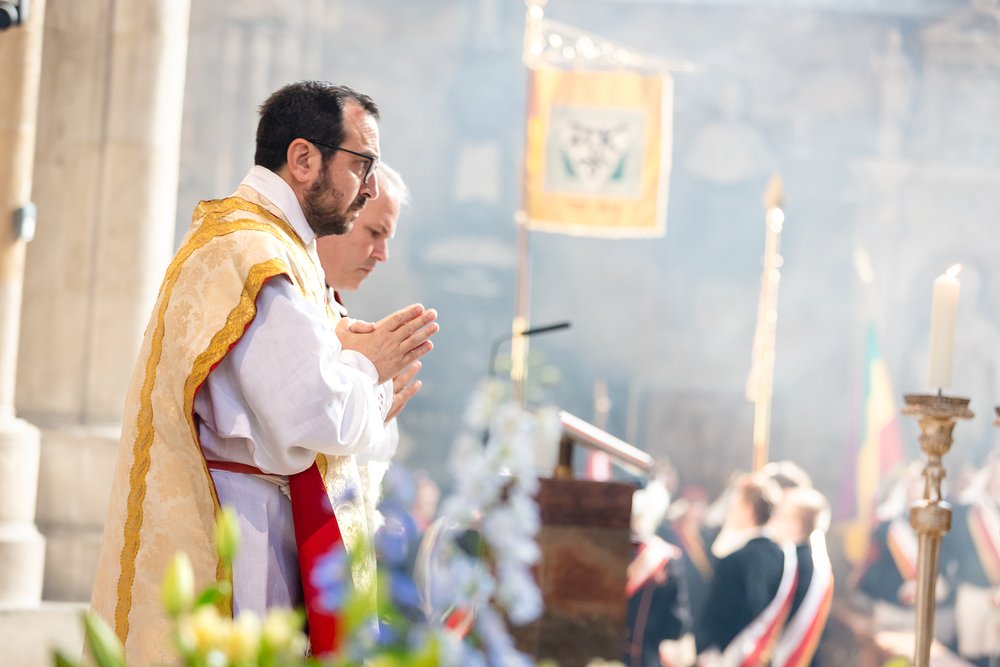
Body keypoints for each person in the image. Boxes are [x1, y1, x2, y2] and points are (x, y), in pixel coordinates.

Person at [90, 81, 439, 665]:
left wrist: (356, 367)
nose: (370, 187)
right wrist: (370, 368)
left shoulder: (268, 244)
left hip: (263, 514)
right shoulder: (256, 255)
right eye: (363, 164)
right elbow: (313, 415)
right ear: (303, 159)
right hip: (240, 532)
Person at [316, 165, 420, 533]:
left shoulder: (330, 303)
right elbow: (304, 423)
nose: (383, 254)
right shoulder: (286, 292)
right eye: (375, 233)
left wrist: (377, 410)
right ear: (339, 213)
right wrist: (363, 373)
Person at [695, 474, 798, 667]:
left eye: (734, 506)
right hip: (761, 656)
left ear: (748, 510)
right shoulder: (784, 557)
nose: (730, 513)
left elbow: (717, 616)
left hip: (727, 656)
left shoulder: (735, 559)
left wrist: (700, 649)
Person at [769, 487, 833, 667]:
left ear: (795, 525)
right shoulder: (818, 562)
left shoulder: (789, 564)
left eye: (779, 515)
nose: (772, 521)